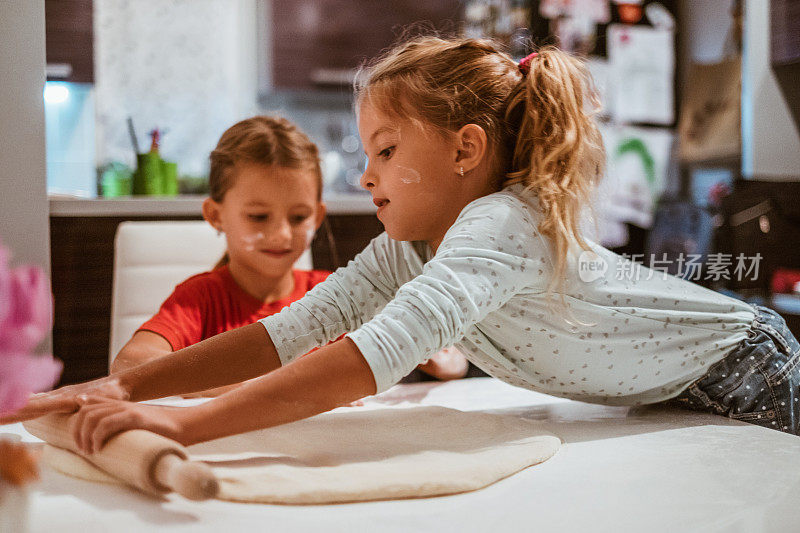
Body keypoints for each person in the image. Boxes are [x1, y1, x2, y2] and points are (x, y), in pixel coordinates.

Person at [4, 37, 798, 452]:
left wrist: (185, 426)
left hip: (746, 362)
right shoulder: (413, 243)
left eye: (386, 150)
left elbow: (366, 355)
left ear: (464, 150)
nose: (367, 172)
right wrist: (128, 392)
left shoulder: (500, 224)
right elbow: (300, 328)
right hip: (670, 387)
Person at [110, 115, 468, 395]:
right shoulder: (199, 300)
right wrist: (266, 387)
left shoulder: (336, 293)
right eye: (258, 217)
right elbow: (129, 365)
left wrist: (435, 357)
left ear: (318, 216)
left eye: (298, 218)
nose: (281, 234)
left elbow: (456, 364)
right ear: (216, 215)